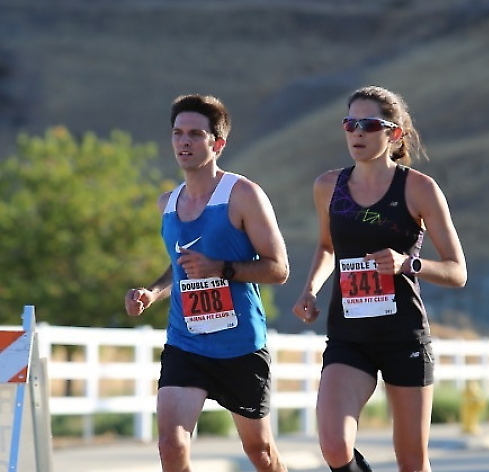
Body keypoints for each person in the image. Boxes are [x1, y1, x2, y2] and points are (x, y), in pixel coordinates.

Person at [293, 85, 467, 472]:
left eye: (369, 125)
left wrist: (408, 264)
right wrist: (309, 290)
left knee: (412, 461)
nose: (357, 133)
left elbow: (457, 271)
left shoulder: (418, 188)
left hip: (402, 337)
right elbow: (327, 247)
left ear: (394, 134)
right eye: (350, 124)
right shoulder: (328, 186)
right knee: (334, 445)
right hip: (349, 337)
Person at [125, 94, 289, 472]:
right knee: (171, 445)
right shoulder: (167, 203)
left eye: (196, 134)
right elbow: (179, 268)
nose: (184, 141)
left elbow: (278, 269)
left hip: (239, 344)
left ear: (218, 143)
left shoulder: (243, 194)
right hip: (186, 342)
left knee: (261, 453)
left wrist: (222, 269)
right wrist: (151, 293)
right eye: (178, 133)